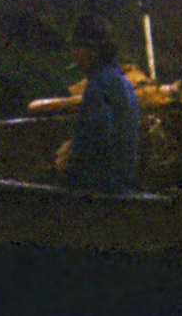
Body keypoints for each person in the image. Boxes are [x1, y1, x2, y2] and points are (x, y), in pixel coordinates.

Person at [55, 14, 140, 193]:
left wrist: (69, 156)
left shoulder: (99, 84)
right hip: (123, 183)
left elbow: (97, 140)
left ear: (92, 49)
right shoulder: (121, 82)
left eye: (77, 47)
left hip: (104, 189)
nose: (73, 54)